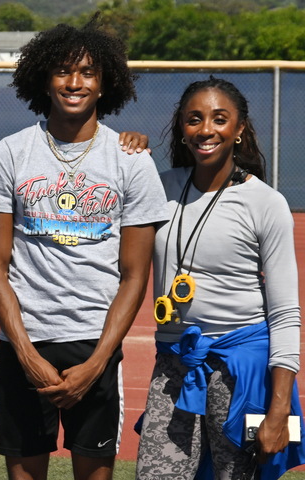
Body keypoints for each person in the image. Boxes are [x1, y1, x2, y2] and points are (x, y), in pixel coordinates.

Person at [0, 16, 169, 480]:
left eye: (87, 72)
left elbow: (135, 275)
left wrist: (98, 361)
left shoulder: (131, 161)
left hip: (95, 347)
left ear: (105, 84)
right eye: (62, 70)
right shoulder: (8, 154)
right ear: (43, 78)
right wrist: (25, 354)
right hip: (25, 343)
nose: (74, 82)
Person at [135, 77, 305, 479]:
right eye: (194, 119)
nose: (206, 129)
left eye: (219, 119)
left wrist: (278, 409)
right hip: (174, 364)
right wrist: (127, 148)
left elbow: (284, 312)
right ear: (181, 126)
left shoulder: (265, 202)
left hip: (239, 371)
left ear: (239, 128)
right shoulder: (160, 189)